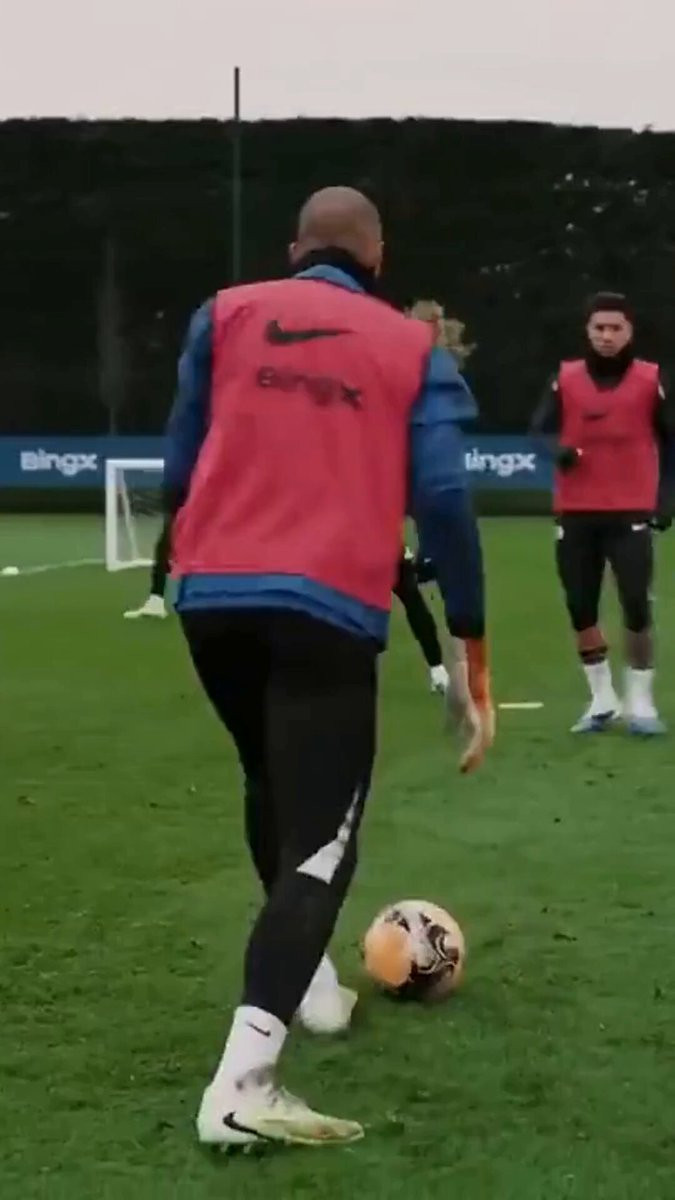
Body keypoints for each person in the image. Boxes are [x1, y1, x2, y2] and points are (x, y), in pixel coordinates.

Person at [164, 186, 494, 1149]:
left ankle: (308, 985)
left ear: (293, 249)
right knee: (323, 845)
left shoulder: (223, 314)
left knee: (268, 779)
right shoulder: (409, 346)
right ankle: (244, 1085)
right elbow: (443, 498)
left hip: (211, 599)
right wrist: (470, 648)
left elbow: (180, 463)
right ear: (377, 258)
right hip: (325, 609)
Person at [530, 292, 674, 735]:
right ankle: (601, 699)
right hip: (576, 511)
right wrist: (559, 451)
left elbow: (671, 443)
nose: (607, 336)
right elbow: (539, 430)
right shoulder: (566, 378)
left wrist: (666, 499)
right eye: (599, 328)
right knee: (580, 606)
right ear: (588, 331)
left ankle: (641, 703)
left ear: (629, 331)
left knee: (635, 603)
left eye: (615, 328)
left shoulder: (651, 379)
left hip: (630, 509)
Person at [125, 506, 450, 693]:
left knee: (353, 606)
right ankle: (435, 670)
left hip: (366, 546)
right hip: (365, 545)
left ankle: (430, 669)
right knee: (394, 602)